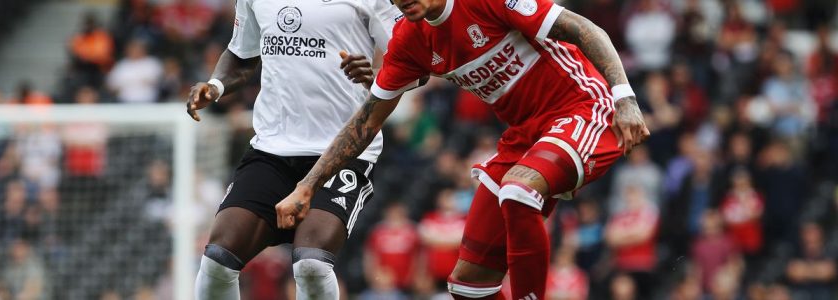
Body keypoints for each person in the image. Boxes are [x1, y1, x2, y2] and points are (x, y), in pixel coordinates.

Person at [277, 0, 650, 298]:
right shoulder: (409, 39)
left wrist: (625, 97)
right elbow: (365, 123)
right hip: (525, 135)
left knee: (519, 190)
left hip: (583, 107)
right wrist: (307, 186)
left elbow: (586, 29)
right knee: (468, 285)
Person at [184, 0, 403, 298]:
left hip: (343, 152)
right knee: (217, 261)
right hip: (271, 151)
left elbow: (415, 61)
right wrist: (216, 86)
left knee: (311, 266)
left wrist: (377, 73)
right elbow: (241, 55)